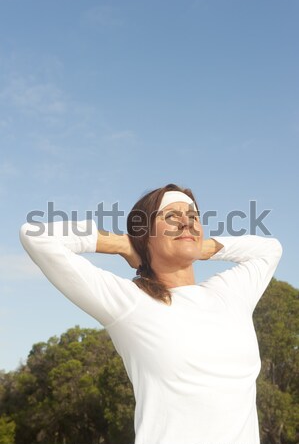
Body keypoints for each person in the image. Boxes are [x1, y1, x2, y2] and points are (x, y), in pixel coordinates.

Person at [19, 183, 283, 444]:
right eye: (171, 216)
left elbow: (270, 250)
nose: (185, 222)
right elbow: (35, 235)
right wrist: (123, 244)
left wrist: (202, 247)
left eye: (193, 217)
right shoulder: (130, 303)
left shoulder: (230, 294)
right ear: (145, 236)